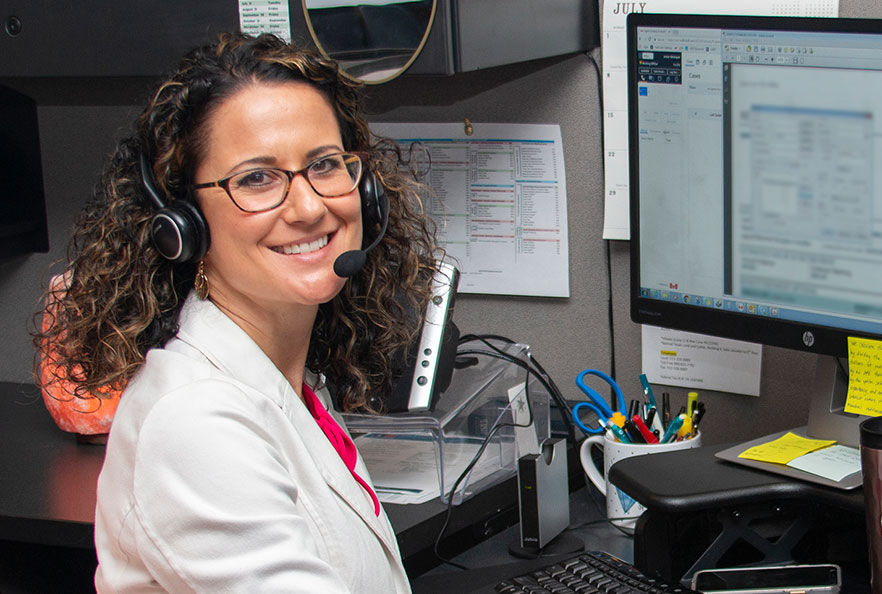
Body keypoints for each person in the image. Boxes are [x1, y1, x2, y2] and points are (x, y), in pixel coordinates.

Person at [34, 32, 441, 593]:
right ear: (183, 222)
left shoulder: (286, 382)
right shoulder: (195, 422)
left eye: (324, 164)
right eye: (256, 178)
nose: (308, 206)